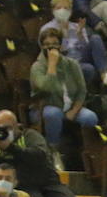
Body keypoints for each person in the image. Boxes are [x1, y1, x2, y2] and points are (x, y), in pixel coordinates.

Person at [31, 27, 97, 156]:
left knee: (90, 117)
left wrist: (74, 110)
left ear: (60, 46)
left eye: (55, 44)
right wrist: (51, 66)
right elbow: (46, 88)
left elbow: (82, 91)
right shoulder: (37, 67)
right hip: (44, 107)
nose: (51, 47)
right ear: (41, 46)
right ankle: (52, 150)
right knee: (53, 114)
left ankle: (87, 153)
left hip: (70, 107)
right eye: (47, 45)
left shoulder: (72, 64)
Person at [40, 0, 107, 88]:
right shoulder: (47, 28)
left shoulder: (76, 26)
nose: (62, 11)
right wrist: (64, 35)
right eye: (59, 8)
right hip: (63, 63)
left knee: (95, 38)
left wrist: (80, 35)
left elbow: (86, 50)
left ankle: (105, 75)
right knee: (89, 69)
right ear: (53, 10)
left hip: (80, 59)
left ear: (70, 11)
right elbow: (49, 53)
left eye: (66, 8)